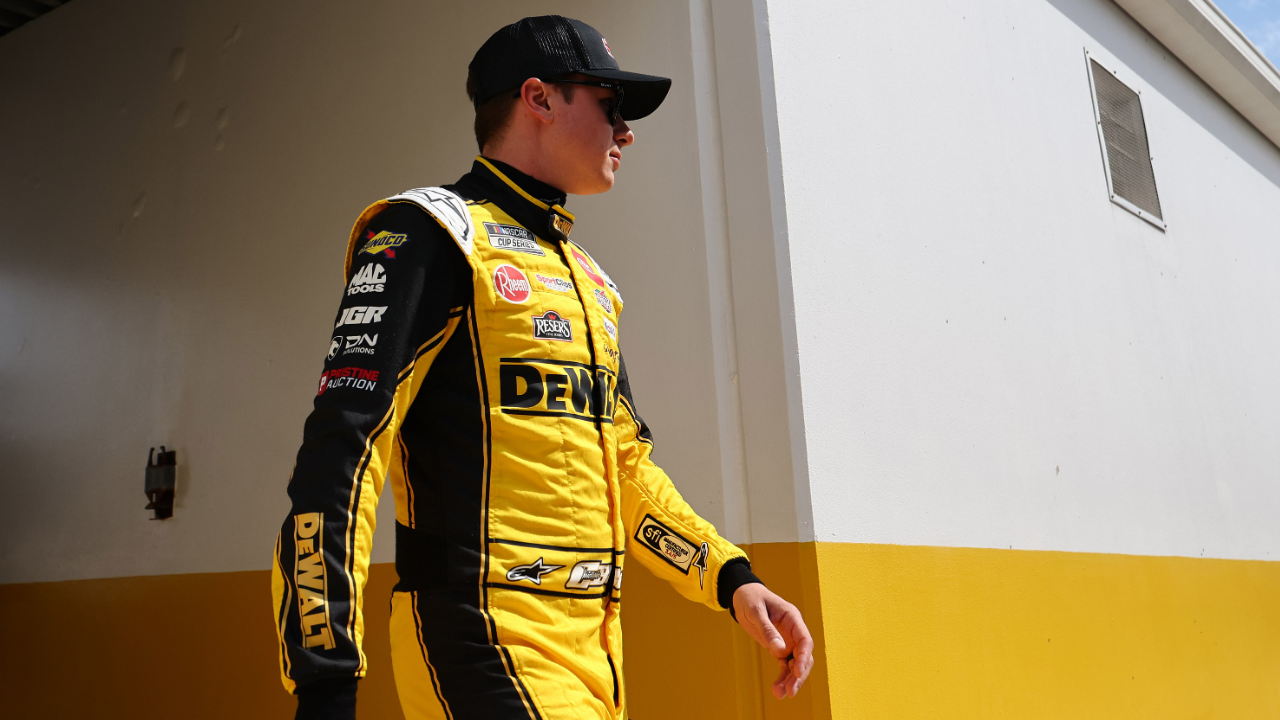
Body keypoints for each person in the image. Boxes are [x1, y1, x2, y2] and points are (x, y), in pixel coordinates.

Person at [271, 15, 813, 720]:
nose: (627, 132)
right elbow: (345, 449)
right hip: (480, 635)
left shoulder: (591, 282)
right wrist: (326, 676)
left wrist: (729, 578)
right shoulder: (428, 233)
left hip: (593, 652)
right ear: (540, 98)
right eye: (611, 106)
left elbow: (624, 468)